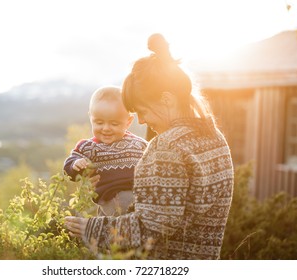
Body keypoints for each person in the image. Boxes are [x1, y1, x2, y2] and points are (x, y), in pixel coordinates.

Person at [65, 34, 234, 259]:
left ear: (166, 99)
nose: (142, 121)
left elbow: (152, 228)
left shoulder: (167, 148)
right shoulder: (216, 139)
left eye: (142, 111)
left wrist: (91, 228)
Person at [63, 86, 148, 216]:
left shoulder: (139, 143)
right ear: (91, 118)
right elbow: (69, 168)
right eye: (99, 123)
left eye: (114, 124)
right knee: (118, 226)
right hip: (110, 200)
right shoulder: (89, 147)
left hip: (140, 195)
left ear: (128, 121)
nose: (106, 128)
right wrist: (76, 164)